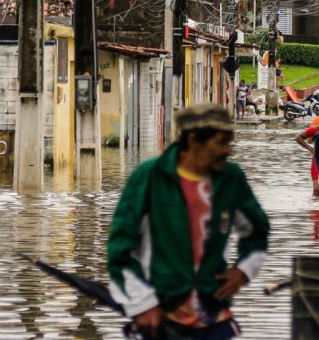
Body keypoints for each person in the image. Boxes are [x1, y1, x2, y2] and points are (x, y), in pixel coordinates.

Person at [107, 104, 270, 340]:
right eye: (221, 142)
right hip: (160, 309)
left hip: (212, 310)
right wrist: (142, 304)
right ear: (194, 141)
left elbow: (257, 230)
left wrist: (243, 270)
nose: (228, 151)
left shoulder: (231, 178)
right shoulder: (150, 176)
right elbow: (120, 249)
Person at [296, 109, 319, 197]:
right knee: (317, 191)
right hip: (317, 161)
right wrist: (310, 149)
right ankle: (315, 208)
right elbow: (299, 138)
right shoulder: (316, 128)